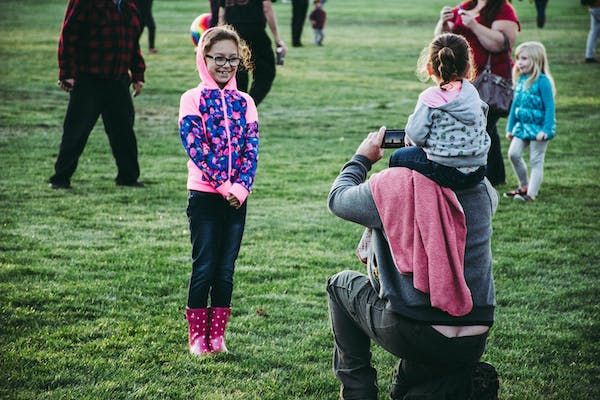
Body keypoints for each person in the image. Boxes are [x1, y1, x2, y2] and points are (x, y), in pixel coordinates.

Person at [326, 127, 500, 399]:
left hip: (416, 330)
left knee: (340, 286)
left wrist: (361, 158)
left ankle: (358, 393)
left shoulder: (395, 185)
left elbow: (338, 199)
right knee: (425, 362)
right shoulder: (482, 188)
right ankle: (458, 385)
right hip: (475, 335)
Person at [178, 26, 259, 355]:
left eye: (233, 59)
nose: (226, 65)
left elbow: (251, 150)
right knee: (205, 266)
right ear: (204, 58)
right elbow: (195, 147)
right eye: (219, 58)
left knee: (225, 271)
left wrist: (241, 188)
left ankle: (217, 337)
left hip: (237, 200)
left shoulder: (246, 102)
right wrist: (223, 185)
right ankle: (197, 338)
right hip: (204, 198)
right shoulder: (192, 98)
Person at [49, 0, 145, 189]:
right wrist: (67, 72)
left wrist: (137, 74)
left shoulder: (128, 5)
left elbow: (132, 42)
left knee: (124, 132)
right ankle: (60, 178)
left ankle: (128, 177)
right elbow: (69, 35)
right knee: (75, 132)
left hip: (118, 80)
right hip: (88, 79)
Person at [389, 33, 490, 191]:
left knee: (398, 157)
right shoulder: (472, 93)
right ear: (468, 67)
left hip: (446, 171)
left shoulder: (430, 98)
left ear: (430, 68)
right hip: (478, 170)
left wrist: (411, 137)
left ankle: (411, 201)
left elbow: (416, 136)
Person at [435, 0, 520, 187]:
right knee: (487, 127)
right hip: (466, 81)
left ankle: (482, 176)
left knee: (483, 125)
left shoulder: (503, 9)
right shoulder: (465, 6)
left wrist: (474, 25)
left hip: (492, 80)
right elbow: (444, 43)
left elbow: (500, 44)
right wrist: (442, 23)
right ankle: (495, 177)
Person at [504, 42, 556, 202]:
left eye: (524, 58)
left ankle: (530, 194)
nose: (519, 62)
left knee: (536, 160)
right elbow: (515, 106)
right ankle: (524, 185)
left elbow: (550, 108)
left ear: (536, 59)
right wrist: (510, 127)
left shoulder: (543, 81)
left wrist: (546, 130)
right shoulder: (520, 80)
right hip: (522, 127)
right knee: (513, 154)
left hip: (539, 129)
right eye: (518, 58)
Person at [218, 0, 287, 106]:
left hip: (233, 34)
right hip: (255, 32)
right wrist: (277, 39)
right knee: (266, 73)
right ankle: (247, 108)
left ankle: (239, 109)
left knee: (238, 76)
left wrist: (221, 39)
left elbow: (222, 14)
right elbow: (267, 8)